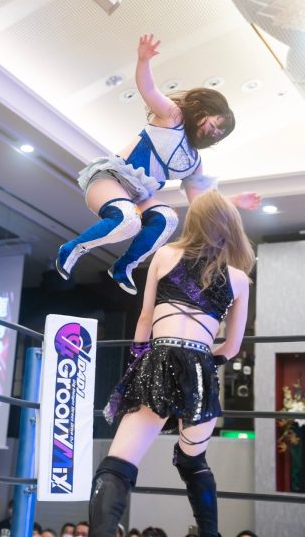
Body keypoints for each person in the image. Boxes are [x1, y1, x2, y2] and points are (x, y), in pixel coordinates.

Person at [88, 190, 255, 537]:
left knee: (118, 464)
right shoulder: (239, 278)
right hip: (200, 367)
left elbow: (145, 319)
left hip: (159, 358)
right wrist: (205, 364)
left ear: (192, 222)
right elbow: (233, 346)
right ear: (230, 226)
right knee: (193, 461)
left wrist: (139, 359)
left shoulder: (165, 254)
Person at [56, 34, 260, 295]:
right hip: (111, 179)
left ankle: (124, 266)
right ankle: (72, 248)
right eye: (211, 126)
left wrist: (235, 200)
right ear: (201, 111)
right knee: (127, 219)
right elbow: (149, 90)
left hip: (139, 194)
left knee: (167, 219)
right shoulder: (172, 117)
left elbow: (201, 202)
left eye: (217, 134)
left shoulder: (194, 162)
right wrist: (143, 61)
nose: (211, 134)